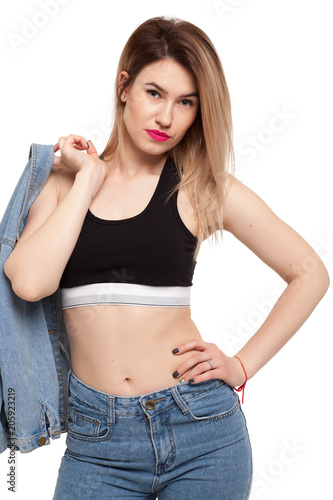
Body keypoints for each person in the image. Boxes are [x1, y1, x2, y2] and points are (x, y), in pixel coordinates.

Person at [3, 15, 329, 500]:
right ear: (124, 87)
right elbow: (30, 282)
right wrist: (89, 177)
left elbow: (309, 273)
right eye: (154, 93)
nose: (166, 118)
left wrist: (240, 366)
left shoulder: (201, 189)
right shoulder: (63, 183)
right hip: (98, 444)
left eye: (186, 103)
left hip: (202, 431)